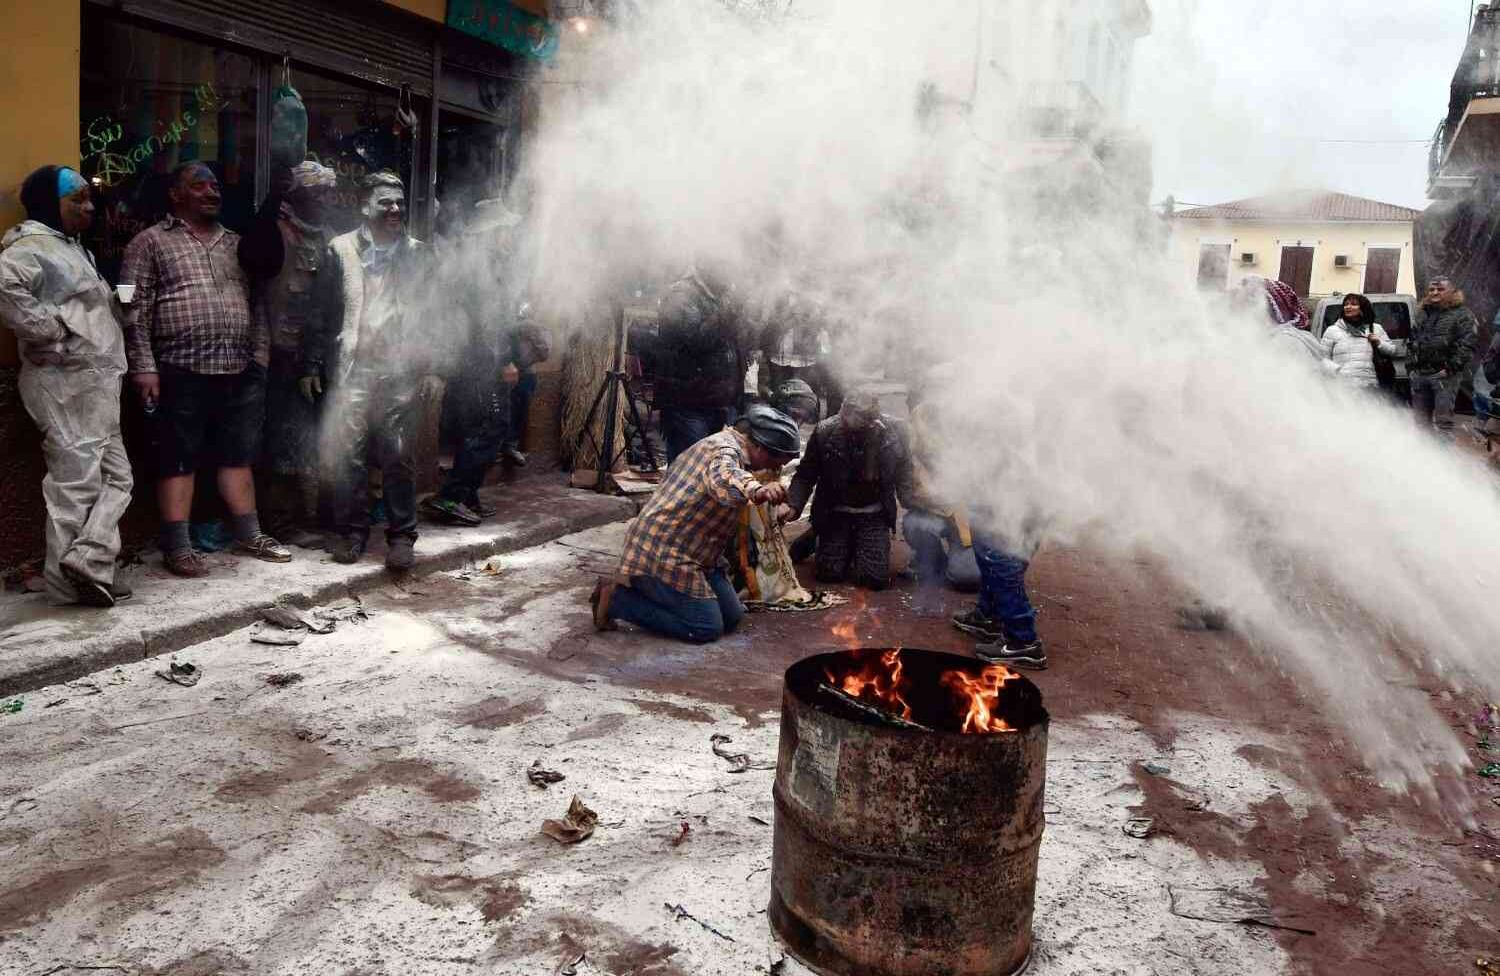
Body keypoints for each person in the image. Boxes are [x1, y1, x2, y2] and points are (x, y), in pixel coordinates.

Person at [121, 161, 289, 578]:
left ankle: (250, 533)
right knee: (177, 459)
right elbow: (133, 310)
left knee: (238, 454)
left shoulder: (238, 244)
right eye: (199, 185)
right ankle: (178, 546)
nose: (212, 192)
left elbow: (258, 305)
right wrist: (144, 367)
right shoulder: (149, 242)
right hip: (178, 368)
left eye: (215, 186)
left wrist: (260, 358)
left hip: (239, 367)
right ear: (176, 194)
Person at [0, 166, 133, 607]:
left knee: (117, 477)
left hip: (96, 381)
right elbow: (6, 285)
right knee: (75, 482)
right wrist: (52, 332)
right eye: (76, 199)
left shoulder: (72, 249)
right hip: (65, 383)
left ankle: (90, 561)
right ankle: (66, 584)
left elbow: (83, 309)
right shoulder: (31, 247)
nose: (88, 207)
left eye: (88, 198)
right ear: (47, 202)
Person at [302, 171, 446, 572]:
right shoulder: (340, 249)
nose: (395, 209)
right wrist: (311, 363)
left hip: (401, 369)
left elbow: (435, 314)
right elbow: (320, 311)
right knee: (348, 455)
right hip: (353, 369)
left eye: (399, 202)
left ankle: (402, 537)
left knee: (397, 455)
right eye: (385, 202)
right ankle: (352, 533)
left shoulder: (419, 253)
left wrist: (433, 367)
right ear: (365, 207)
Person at [592, 404, 801, 643]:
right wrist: (758, 489)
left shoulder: (736, 448)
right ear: (760, 447)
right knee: (705, 627)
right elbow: (725, 479)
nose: (776, 469)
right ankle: (617, 599)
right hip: (663, 551)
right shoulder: (724, 451)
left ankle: (660, 594)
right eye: (775, 462)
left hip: (700, 555)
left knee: (731, 618)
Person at [238, 160, 337, 547]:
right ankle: (279, 521)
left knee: (309, 439)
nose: (325, 199)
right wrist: (273, 199)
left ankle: (310, 515)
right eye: (317, 192)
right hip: (273, 356)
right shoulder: (274, 231)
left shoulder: (328, 237)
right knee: (280, 439)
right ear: (296, 195)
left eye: (328, 192)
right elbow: (255, 258)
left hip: (314, 356)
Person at [780, 390, 913, 591]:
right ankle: (817, 534)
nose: (865, 426)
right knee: (829, 574)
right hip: (836, 511)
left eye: (869, 421)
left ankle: (848, 541)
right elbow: (806, 474)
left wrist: (910, 499)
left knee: (874, 579)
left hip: (874, 512)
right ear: (843, 414)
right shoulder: (824, 432)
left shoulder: (895, 432)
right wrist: (793, 505)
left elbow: (904, 469)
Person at [650, 265, 752, 464]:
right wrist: (728, 311)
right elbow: (696, 341)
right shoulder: (681, 296)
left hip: (721, 402)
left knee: (718, 468)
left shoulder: (723, 296)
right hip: (688, 403)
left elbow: (739, 343)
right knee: (688, 468)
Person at [901, 401, 979, 606]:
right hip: (933, 514)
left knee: (967, 579)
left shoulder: (968, 448)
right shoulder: (910, 452)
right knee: (915, 524)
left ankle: (966, 559)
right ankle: (931, 560)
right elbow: (906, 497)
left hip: (965, 520)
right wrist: (940, 504)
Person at [1401, 276, 1479, 439]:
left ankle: (1443, 454)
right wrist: (1411, 367)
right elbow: (1412, 340)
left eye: (1440, 289)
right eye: (1432, 289)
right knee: (1420, 423)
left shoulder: (1463, 314)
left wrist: (1450, 368)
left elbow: (1467, 345)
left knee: (1443, 422)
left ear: (1452, 291)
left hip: (1444, 376)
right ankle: (1422, 452)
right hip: (1420, 374)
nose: (1435, 292)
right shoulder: (1423, 313)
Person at [1321, 293, 1398, 391]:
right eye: (1346, 304)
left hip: (1370, 386)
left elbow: (1393, 351)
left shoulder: (1375, 328)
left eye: (1353, 304)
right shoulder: (1332, 330)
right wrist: (1338, 372)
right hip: (1342, 388)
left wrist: (1379, 343)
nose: (1348, 307)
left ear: (1363, 308)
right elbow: (1322, 358)